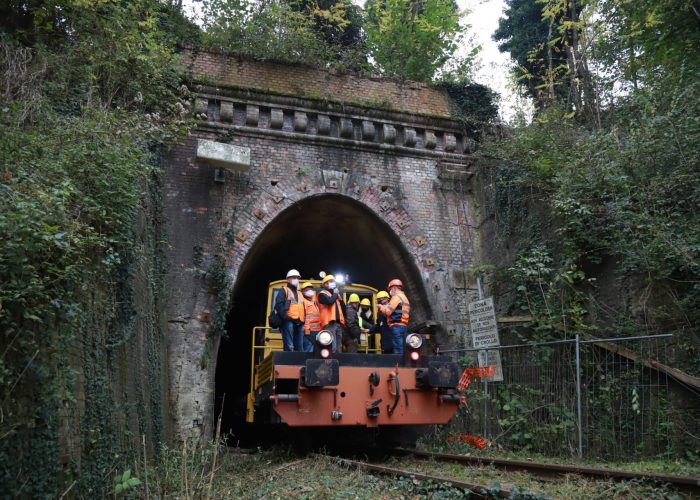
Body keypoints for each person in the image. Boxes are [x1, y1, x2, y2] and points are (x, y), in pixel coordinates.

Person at [274, 269, 305, 352]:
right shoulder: (284, 290)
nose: (296, 279)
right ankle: (288, 360)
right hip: (288, 322)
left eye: (297, 278)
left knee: (300, 348)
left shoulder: (300, 293)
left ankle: (300, 362)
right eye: (294, 277)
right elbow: (279, 305)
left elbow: (302, 307)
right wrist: (286, 318)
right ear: (288, 279)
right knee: (289, 346)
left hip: (299, 323)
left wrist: (302, 321)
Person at [378, 279, 410, 354]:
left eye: (390, 289)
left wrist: (381, 307)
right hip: (403, 325)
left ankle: (399, 365)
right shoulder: (404, 297)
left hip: (396, 326)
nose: (390, 291)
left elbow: (388, 312)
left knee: (398, 349)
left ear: (394, 288)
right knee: (402, 347)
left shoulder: (396, 297)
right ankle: (403, 364)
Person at [317, 274, 345, 352]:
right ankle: (329, 363)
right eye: (331, 281)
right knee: (332, 347)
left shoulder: (335, 296)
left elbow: (343, 309)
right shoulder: (322, 294)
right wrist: (335, 294)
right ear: (325, 284)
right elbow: (329, 302)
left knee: (337, 349)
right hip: (329, 324)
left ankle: (336, 362)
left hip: (338, 324)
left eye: (334, 282)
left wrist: (341, 300)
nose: (334, 283)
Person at [300, 281, 321, 353]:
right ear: (302, 292)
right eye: (307, 290)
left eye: (310, 289)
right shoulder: (303, 302)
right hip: (308, 332)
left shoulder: (313, 302)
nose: (310, 291)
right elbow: (305, 317)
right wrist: (307, 330)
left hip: (315, 332)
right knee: (309, 350)